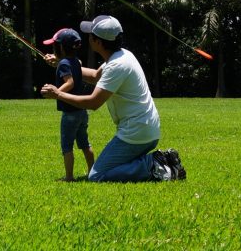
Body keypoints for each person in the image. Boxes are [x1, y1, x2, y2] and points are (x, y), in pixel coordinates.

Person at [41, 15, 186, 182]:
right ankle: (157, 161)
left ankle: (154, 165)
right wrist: (62, 62)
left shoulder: (116, 66)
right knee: (110, 169)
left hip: (135, 134)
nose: (88, 37)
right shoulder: (122, 55)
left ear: (98, 42)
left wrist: (58, 94)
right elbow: (95, 76)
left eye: (91, 35)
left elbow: (93, 102)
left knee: (97, 176)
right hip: (146, 130)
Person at [40, 28, 95, 181]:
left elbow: (69, 83)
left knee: (67, 147)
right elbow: (74, 65)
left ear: (62, 48)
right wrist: (57, 59)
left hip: (70, 112)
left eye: (55, 46)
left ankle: (69, 177)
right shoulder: (76, 61)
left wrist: (56, 92)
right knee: (84, 143)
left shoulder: (64, 63)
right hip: (82, 112)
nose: (53, 48)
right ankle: (92, 173)